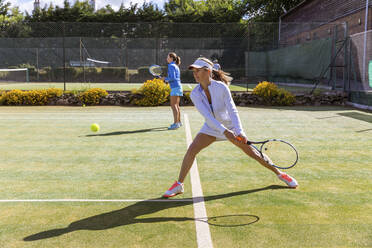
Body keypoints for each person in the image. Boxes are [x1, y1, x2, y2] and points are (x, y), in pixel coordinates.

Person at [162, 57, 298, 198]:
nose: (195, 74)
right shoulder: (195, 93)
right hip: (211, 128)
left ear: (208, 71)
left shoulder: (221, 87)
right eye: (194, 71)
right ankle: (179, 185)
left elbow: (232, 110)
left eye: (198, 70)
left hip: (230, 126)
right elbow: (208, 116)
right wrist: (224, 132)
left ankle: (280, 174)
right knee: (191, 150)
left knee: (254, 153)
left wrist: (239, 131)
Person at [161, 52, 183, 130]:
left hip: (175, 87)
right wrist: (167, 80)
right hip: (178, 86)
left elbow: (172, 78)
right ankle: (179, 122)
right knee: (176, 105)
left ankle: (176, 123)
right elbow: (174, 78)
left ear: (171, 58)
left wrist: (165, 79)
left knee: (173, 106)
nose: (166, 59)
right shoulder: (175, 66)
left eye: (168, 57)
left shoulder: (171, 66)